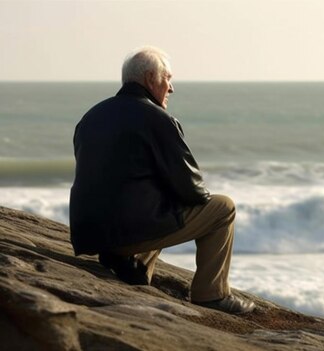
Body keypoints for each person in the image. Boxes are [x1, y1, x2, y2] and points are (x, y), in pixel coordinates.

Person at [69, 46, 254, 314]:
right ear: (150, 78)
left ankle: (134, 266)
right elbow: (191, 189)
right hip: (127, 231)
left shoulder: (91, 117)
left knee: (153, 198)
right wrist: (196, 203)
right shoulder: (157, 118)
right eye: (168, 78)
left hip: (91, 232)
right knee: (223, 207)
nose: (171, 88)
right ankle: (211, 294)